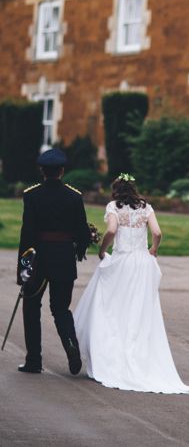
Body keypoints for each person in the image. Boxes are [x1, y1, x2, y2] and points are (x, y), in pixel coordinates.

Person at [74, 174, 189, 394]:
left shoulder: (114, 207)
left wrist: (103, 250)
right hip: (142, 264)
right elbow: (157, 232)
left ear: (116, 190)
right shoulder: (146, 207)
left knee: (113, 309)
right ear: (134, 189)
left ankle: (111, 354)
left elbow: (112, 230)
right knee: (139, 311)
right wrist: (154, 249)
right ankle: (137, 352)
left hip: (122, 261)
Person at [17, 148, 91, 374]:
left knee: (31, 308)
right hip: (63, 260)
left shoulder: (32, 195)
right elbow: (82, 234)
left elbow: (26, 234)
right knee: (61, 309)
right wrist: (79, 246)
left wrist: (23, 270)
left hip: (38, 260)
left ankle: (34, 361)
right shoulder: (74, 196)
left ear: (42, 171)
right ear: (62, 170)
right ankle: (71, 348)